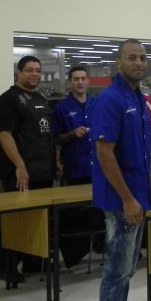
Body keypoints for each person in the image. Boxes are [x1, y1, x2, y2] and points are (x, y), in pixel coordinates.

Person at [91, 39, 151, 301]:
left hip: (138, 196)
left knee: (127, 269)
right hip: (120, 201)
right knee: (116, 271)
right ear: (118, 63)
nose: (138, 62)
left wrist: (150, 191)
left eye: (143, 57)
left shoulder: (138, 97)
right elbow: (105, 154)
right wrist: (128, 199)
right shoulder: (110, 99)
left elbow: (144, 153)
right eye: (131, 58)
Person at [0, 55, 56, 282]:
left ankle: (32, 261)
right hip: (20, 173)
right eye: (29, 70)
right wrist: (20, 165)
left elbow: (46, 133)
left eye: (38, 70)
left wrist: (54, 161)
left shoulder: (40, 98)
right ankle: (7, 268)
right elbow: (4, 135)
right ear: (18, 72)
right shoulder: (8, 99)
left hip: (42, 170)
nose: (34, 74)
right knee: (16, 221)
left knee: (38, 219)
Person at [53, 65, 102, 268]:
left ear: (88, 81)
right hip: (76, 168)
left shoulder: (97, 104)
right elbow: (56, 139)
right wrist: (73, 134)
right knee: (77, 214)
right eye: (76, 79)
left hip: (98, 168)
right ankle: (76, 254)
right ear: (69, 82)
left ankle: (101, 247)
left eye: (83, 78)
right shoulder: (62, 108)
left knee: (100, 211)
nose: (80, 82)